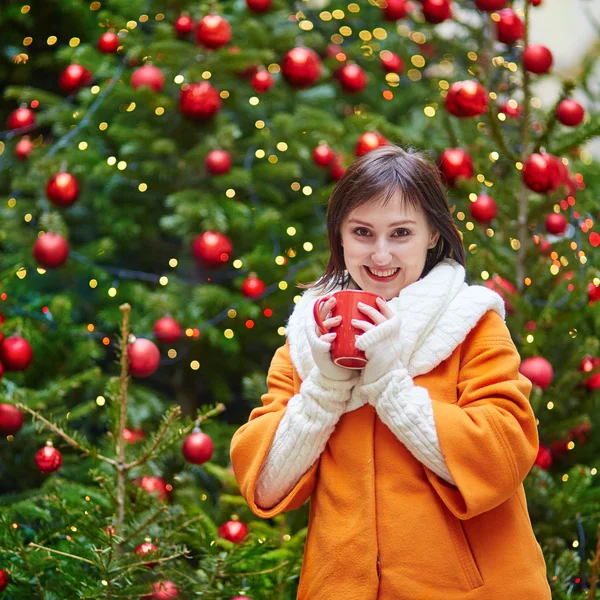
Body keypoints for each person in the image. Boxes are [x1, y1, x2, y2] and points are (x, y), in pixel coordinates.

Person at [230, 145, 551, 600]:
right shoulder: (309, 338)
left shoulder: (470, 323)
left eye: (400, 233)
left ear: (433, 236)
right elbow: (263, 485)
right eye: (362, 232)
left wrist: (388, 383)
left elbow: (501, 458)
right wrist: (325, 388)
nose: (380, 255)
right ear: (339, 237)